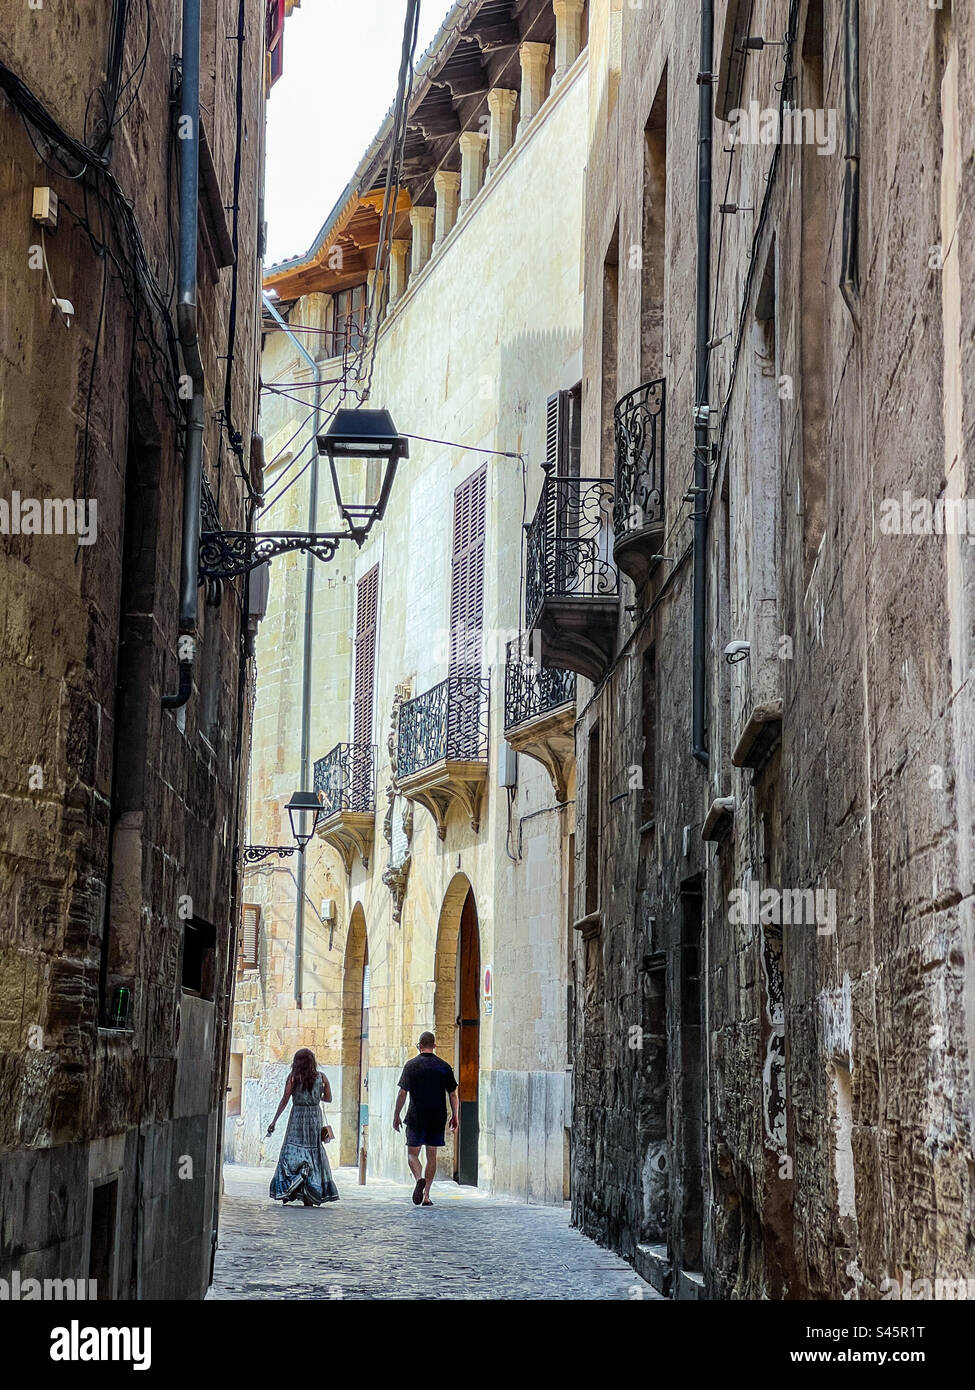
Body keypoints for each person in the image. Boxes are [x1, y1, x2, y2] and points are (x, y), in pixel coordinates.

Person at [267, 1047, 340, 1206]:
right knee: (313, 1152)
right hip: (314, 1118)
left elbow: (285, 1099)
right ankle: (310, 1190)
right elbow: (328, 1098)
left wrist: (274, 1121)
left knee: (293, 1151)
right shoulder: (322, 1078)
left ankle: (291, 1187)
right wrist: (315, 1095)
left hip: (297, 1119)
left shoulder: (293, 1078)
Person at [393, 1031, 459, 1206]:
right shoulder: (444, 1066)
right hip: (437, 1116)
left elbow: (402, 1093)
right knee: (432, 1155)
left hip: (416, 1115)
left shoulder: (411, 1066)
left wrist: (396, 1114)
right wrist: (455, 1115)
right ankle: (427, 1195)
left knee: (412, 1154)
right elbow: (453, 1094)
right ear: (434, 1046)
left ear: (419, 1045)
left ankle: (418, 1179)